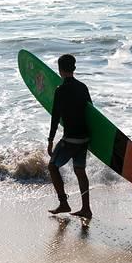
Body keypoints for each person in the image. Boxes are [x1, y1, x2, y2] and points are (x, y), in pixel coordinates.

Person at [47, 54, 93, 219]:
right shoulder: (83, 87)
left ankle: (63, 202)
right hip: (84, 138)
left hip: (70, 139)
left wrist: (50, 140)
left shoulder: (60, 90)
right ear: (74, 68)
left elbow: (55, 117)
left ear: (60, 70)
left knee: (52, 167)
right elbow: (91, 113)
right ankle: (86, 208)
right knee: (80, 170)